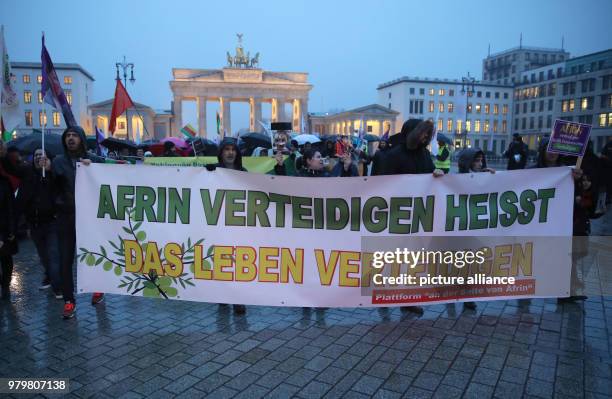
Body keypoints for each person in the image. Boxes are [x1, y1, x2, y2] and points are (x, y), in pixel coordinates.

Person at [374, 119, 443, 315]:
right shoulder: (393, 155)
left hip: (416, 217)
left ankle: (408, 298)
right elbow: (382, 185)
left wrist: (436, 175)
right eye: (421, 133)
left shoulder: (425, 154)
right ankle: (383, 294)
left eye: (426, 135)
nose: (424, 138)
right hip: (395, 216)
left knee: (412, 259)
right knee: (390, 258)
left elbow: (430, 176)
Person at [52, 126, 106, 319]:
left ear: (82, 139)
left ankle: (99, 289)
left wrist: (94, 168)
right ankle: (69, 301)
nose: (71, 139)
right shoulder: (57, 162)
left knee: (96, 255)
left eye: (75, 135)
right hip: (66, 217)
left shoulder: (95, 159)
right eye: (68, 136)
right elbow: (51, 188)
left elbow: (115, 172)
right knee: (65, 260)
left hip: (90, 218)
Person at [533, 138, 593, 302]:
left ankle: (567, 290)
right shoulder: (532, 171)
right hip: (541, 222)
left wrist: (581, 182)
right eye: (548, 149)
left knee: (568, 255)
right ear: (542, 151)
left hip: (564, 220)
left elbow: (579, 194)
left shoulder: (568, 171)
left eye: (555, 149)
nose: (552, 153)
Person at [205, 137, 247, 314]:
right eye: (226, 149)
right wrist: (206, 174)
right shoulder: (213, 171)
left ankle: (238, 299)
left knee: (238, 260)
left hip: (238, 224)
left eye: (233, 149)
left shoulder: (244, 172)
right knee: (221, 259)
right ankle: (222, 294)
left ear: (237, 153)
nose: (230, 152)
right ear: (221, 153)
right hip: (219, 222)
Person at [15, 149, 62, 297]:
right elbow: (23, 200)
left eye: (41, 155)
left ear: (47, 158)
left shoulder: (52, 174)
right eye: (36, 155)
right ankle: (48, 276)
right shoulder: (28, 175)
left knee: (53, 255)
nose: (38, 157)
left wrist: (48, 172)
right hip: (34, 224)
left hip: (51, 223)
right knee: (44, 256)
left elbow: (60, 190)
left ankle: (58, 286)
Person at [456, 148, 495, 310]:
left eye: (481, 160)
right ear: (468, 162)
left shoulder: (484, 177)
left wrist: (494, 177)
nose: (479, 164)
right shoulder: (457, 179)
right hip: (459, 228)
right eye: (476, 160)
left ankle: (467, 295)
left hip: (474, 228)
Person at [0, 170, 16, 300]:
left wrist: (11, 230)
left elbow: (11, 207)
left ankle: (5, 285)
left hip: (4, 228)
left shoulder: (4, 183)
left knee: (5, 258)